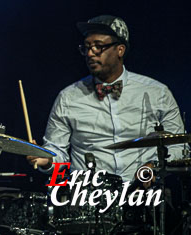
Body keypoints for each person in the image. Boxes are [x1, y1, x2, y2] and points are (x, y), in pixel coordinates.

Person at [27, 15, 185, 182]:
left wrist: (155, 166)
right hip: (88, 197)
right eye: (86, 47)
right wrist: (48, 160)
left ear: (120, 50)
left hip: (143, 193)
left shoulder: (157, 93)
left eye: (98, 47)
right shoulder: (68, 97)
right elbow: (57, 152)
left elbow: (179, 146)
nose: (90, 53)